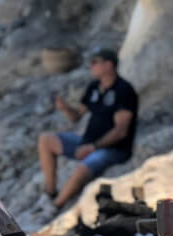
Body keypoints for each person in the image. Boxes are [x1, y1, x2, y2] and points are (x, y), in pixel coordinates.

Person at [34, 48, 139, 221]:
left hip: (113, 149)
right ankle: (50, 193)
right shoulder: (94, 87)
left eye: (95, 62)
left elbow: (121, 131)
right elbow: (76, 116)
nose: (91, 67)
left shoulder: (124, 90)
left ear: (109, 65)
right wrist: (65, 108)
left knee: (81, 169)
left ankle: (55, 207)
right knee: (46, 140)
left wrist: (93, 147)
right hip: (88, 142)